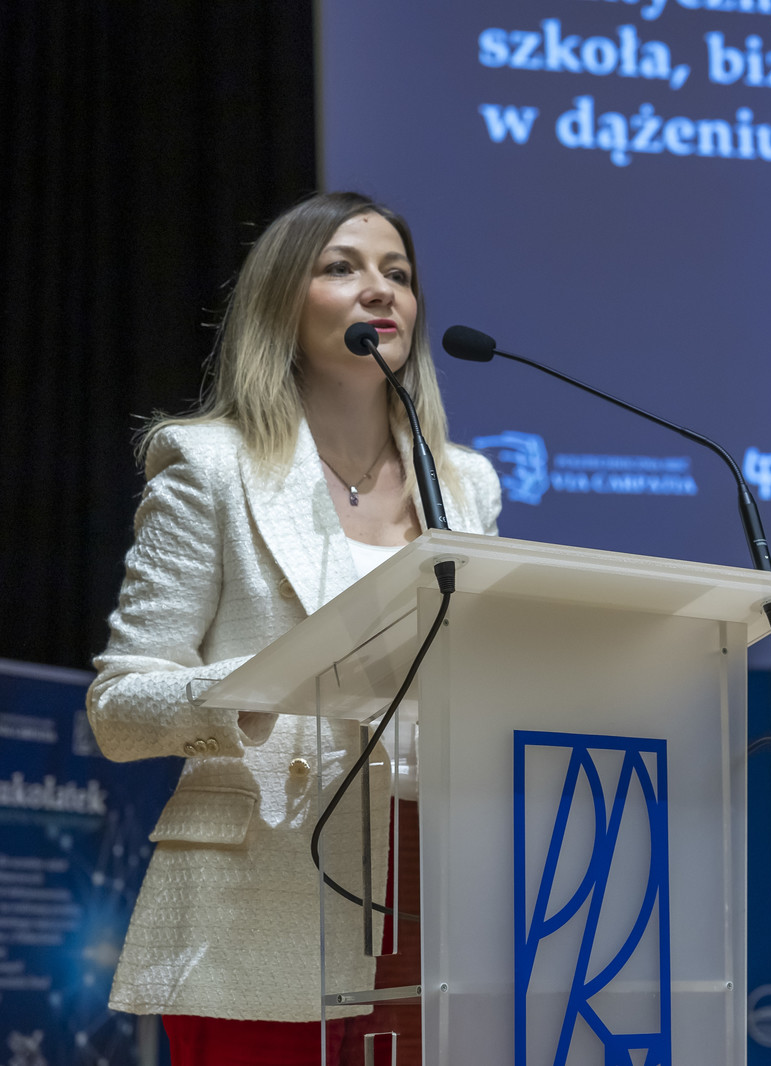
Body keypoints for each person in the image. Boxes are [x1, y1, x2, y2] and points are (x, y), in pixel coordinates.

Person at [87, 191, 502, 1064]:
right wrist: (253, 686)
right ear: (282, 301)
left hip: (439, 883)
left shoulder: (464, 485)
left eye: (398, 274)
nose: (380, 289)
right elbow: (118, 709)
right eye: (342, 268)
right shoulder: (210, 465)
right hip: (263, 890)